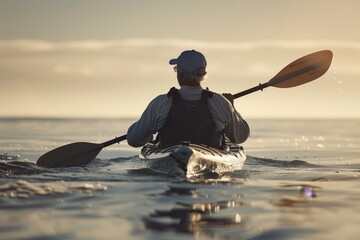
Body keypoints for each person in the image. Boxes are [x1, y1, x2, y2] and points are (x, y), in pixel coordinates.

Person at [127, 50, 250, 148]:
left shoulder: (161, 102)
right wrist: (232, 107)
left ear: (180, 74)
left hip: (170, 163)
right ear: (202, 75)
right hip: (208, 163)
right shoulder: (220, 102)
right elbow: (241, 136)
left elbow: (133, 139)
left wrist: (149, 135)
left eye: (176, 69)